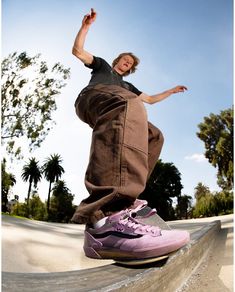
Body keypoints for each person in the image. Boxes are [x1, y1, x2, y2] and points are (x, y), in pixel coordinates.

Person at [71, 8, 189, 260]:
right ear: (117, 60)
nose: (126, 64)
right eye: (124, 60)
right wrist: (86, 27)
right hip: (93, 98)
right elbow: (78, 51)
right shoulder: (103, 67)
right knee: (128, 103)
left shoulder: (128, 87)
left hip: (120, 104)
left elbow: (150, 100)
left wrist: (170, 90)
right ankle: (102, 219)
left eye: (130, 64)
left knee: (153, 135)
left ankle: (123, 204)